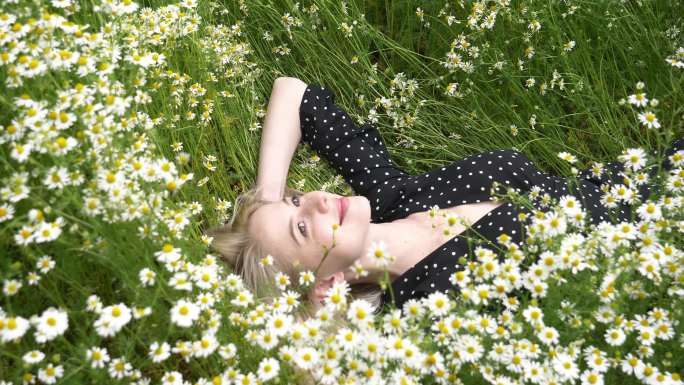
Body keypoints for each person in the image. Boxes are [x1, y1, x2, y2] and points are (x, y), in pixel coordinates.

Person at [204, 76, 683, 315]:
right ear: (328, 284)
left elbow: (293, 92)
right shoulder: (431, 304)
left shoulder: (395, 199)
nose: (317, 199)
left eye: (297, 200)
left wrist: (265, 199)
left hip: (643, 178)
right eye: (303, 228)